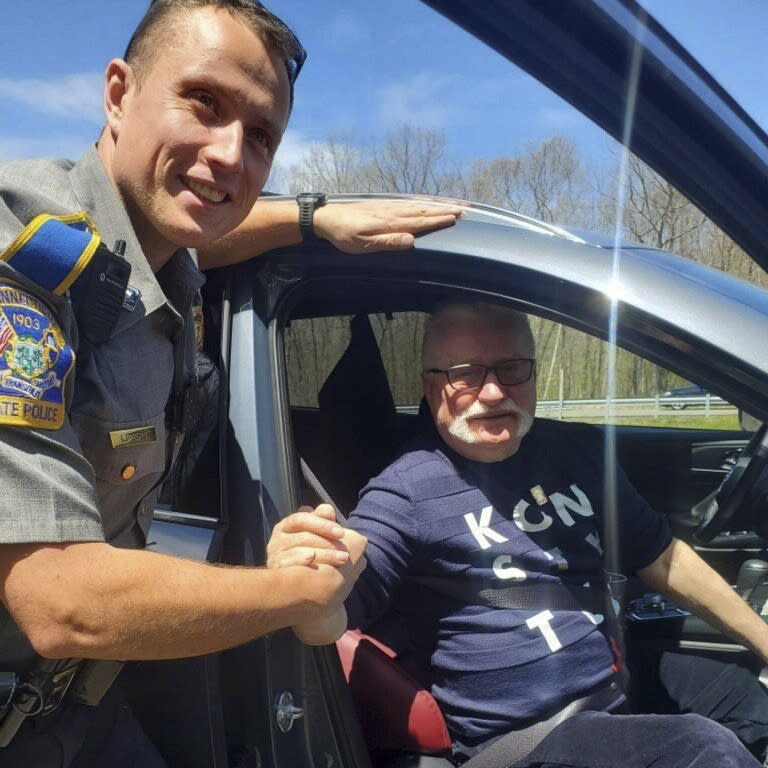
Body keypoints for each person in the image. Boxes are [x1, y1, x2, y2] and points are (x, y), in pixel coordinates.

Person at [0, 0, 463, 763]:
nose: (228, 155)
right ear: (118, 94)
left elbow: (197, 230)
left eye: (260, 137)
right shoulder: (20, 256)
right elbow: (59, 601)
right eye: (204, 103)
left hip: (82, 706)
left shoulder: (156, 257)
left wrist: (311, 221)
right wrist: (298, 594)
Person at [268, 300, 768, 768]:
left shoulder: (581, 450)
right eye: (465, 374)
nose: (493, 392)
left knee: (750, 699)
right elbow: (328, 616)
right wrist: (304, 579)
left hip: (616, 679)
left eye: (512, 369)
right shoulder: (406, 490)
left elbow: (662, 558)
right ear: (429, 387)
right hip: (526, 737)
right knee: (706, 751)